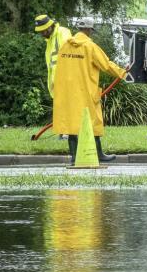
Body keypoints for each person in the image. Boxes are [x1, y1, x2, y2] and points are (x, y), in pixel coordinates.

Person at [52, 18, 127, 163]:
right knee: (94, 121)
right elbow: (106, 65)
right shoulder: (90, 46)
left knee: (71, 123)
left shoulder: (64, 46)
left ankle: (74, 157)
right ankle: (99, 154)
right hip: (86, 91)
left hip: (67, 92)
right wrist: (123, 73)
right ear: (88, 30)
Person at [33, 14, 72, 99]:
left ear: (50, 26)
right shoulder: (50, 40)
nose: (42, 33)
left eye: (44, 30)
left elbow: (69, 56)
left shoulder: (62, 32)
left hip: (66, 83)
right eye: (41, 32)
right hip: (58, 86)